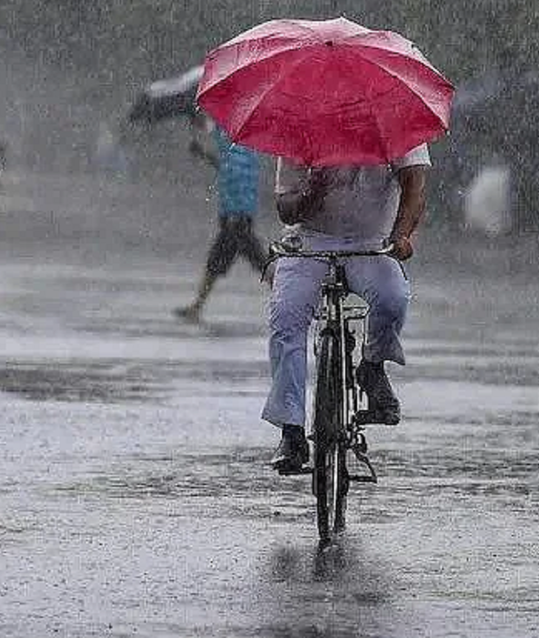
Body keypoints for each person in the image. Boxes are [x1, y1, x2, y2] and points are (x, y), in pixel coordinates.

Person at [265, 147, 430, 473]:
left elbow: (415, 184)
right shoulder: (303, 126)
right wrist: (314, 191)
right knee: (285, 318)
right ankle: (291, 429)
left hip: (371, 242)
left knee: (392, 299)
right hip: (311, 241)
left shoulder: (394, 120)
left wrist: (402, 234)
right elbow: (286, 210)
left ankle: (372, 366)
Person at [174, 112, 270, 322]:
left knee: (259, 262)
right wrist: (203, 153)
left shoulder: (230, 133)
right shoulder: (240, 139)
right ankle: (197, 306)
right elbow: (226, 166)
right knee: (222, 261)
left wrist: (235, 214)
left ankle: (292, 302)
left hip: (236, 216)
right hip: (236, 214)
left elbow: (234, 171)